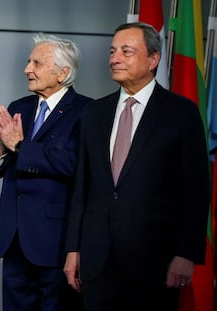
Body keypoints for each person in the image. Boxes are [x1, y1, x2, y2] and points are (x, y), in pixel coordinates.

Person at [64, 22, 210, 311]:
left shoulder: (181, 113)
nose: (115, 58)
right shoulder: (94, 113)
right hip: (97, 260)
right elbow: (82, 185)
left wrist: (186, 253)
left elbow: (196, 189)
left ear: (153, 59)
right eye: (112, 51)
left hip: (155, 261)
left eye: (126, 51)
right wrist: (73, 248)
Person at [0, 33, 93, 310]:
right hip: (14, 239)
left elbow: (74, 164)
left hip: (55, 240)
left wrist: (19, 145)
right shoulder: (20, 108)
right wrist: (3, 150)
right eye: (29, 61)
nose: (27, 69)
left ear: (63, 73)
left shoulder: (87, 112)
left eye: (37, 63)